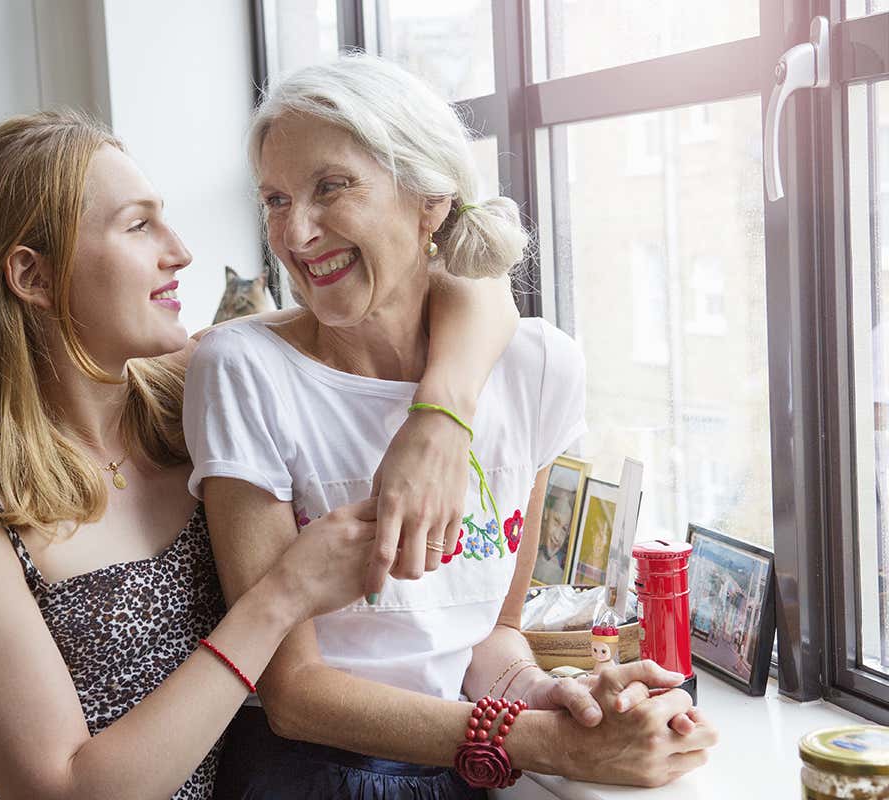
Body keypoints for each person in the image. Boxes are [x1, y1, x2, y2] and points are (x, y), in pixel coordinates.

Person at [0, 108, 522, 799]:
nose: (180, 252)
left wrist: (440, 419)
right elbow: (66, 791)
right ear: (32, 277)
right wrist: (282, 595)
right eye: (139, 226)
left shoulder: (194, 391)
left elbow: (468, 282)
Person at [185, 55, 716, 797]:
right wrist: (537, 739)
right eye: (275, 199)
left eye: (330, 187)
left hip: (465, 764)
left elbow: (487, 638)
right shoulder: (242, 370)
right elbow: (294, 693)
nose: (295, 233)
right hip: (308, 774)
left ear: (428, 200)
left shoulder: (539, 369)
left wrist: (552, 694)